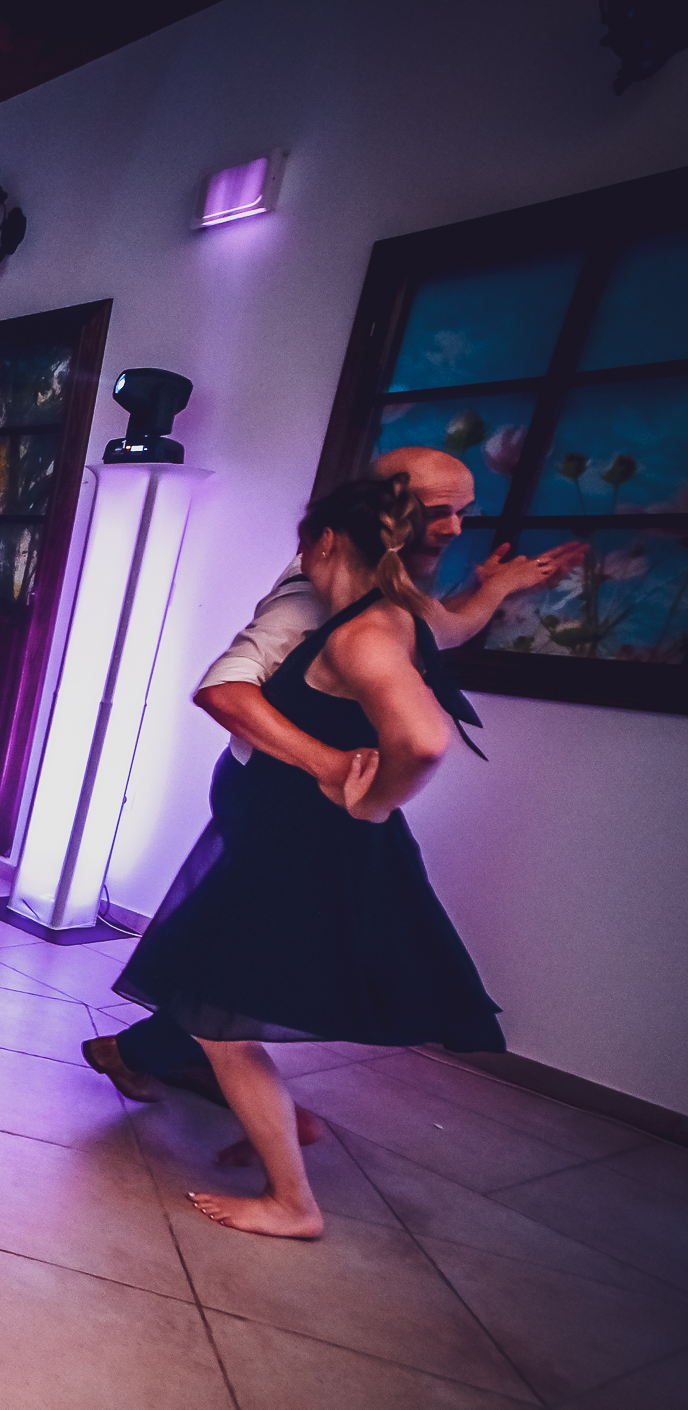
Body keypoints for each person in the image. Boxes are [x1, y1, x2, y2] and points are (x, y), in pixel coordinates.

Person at [84, 445, 579, 1158]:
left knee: (239, 945)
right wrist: (335, 768)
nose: (452, 528)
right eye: (437, 511)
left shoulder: (385, 585)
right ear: (383, 511)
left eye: (464, 513)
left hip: (316, 808)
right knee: (244, 947)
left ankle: (155, 1055)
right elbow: (224, 689)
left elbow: (437, 630)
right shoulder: (308, 595)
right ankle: (205, 1075)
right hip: (276, 802)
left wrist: (495, 587)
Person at [113, 474, 505, 1239]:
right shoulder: (383, 618)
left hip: (301, 849)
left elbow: (426, 739)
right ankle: (273, 1134)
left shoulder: (362, 631)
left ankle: (292, 1202)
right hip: (284, 839)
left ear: (324, 542)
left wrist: (368, 797)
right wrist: (498, 589)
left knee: (221, 1022)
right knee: (221, 1002)